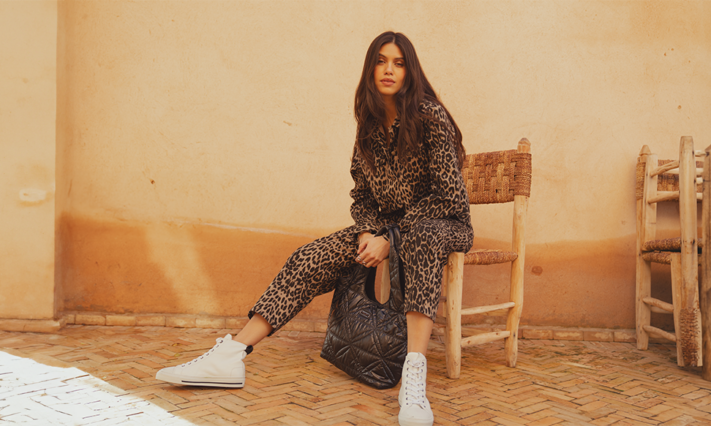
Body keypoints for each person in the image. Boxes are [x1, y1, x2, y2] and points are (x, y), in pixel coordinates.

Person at [155, 31, 473, 426]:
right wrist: (366, 234)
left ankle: (414, 379)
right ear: (370, 69)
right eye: (381, 61)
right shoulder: (369, 126)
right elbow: (362, 195)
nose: (388, 69)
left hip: (442, 224)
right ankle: (231, 355)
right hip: (384, 230)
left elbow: (449, 196)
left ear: (410, 71)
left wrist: (390, 241)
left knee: (422, 238)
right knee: (312, 255)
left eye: (398, 62)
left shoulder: (429, 116)